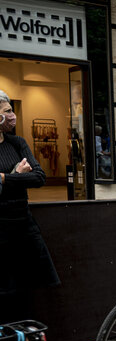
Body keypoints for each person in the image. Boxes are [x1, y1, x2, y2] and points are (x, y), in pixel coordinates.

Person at [0, 90, 60, 321]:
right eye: (7, 111)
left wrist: (6, 178)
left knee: (26, 286)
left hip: (23, 224)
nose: (13, 116)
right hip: (2, 228)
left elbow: (39, 177)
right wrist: (18, 173)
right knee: (5, 287)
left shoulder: (17, 143)